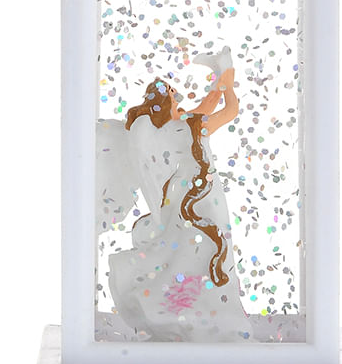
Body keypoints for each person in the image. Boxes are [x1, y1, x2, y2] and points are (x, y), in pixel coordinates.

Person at [105, 48, 252, 341]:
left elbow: (207, 104)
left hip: (183, 196)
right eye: (174, 97)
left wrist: (220, 75)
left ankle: (188, 308)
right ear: (167, 103)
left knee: (186, 248)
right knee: (206, 247)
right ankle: (201, 309)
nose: (179, 100)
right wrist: (228, 80)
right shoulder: (187, 128)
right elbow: (229, 110)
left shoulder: (171, 129)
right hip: (201, 196)